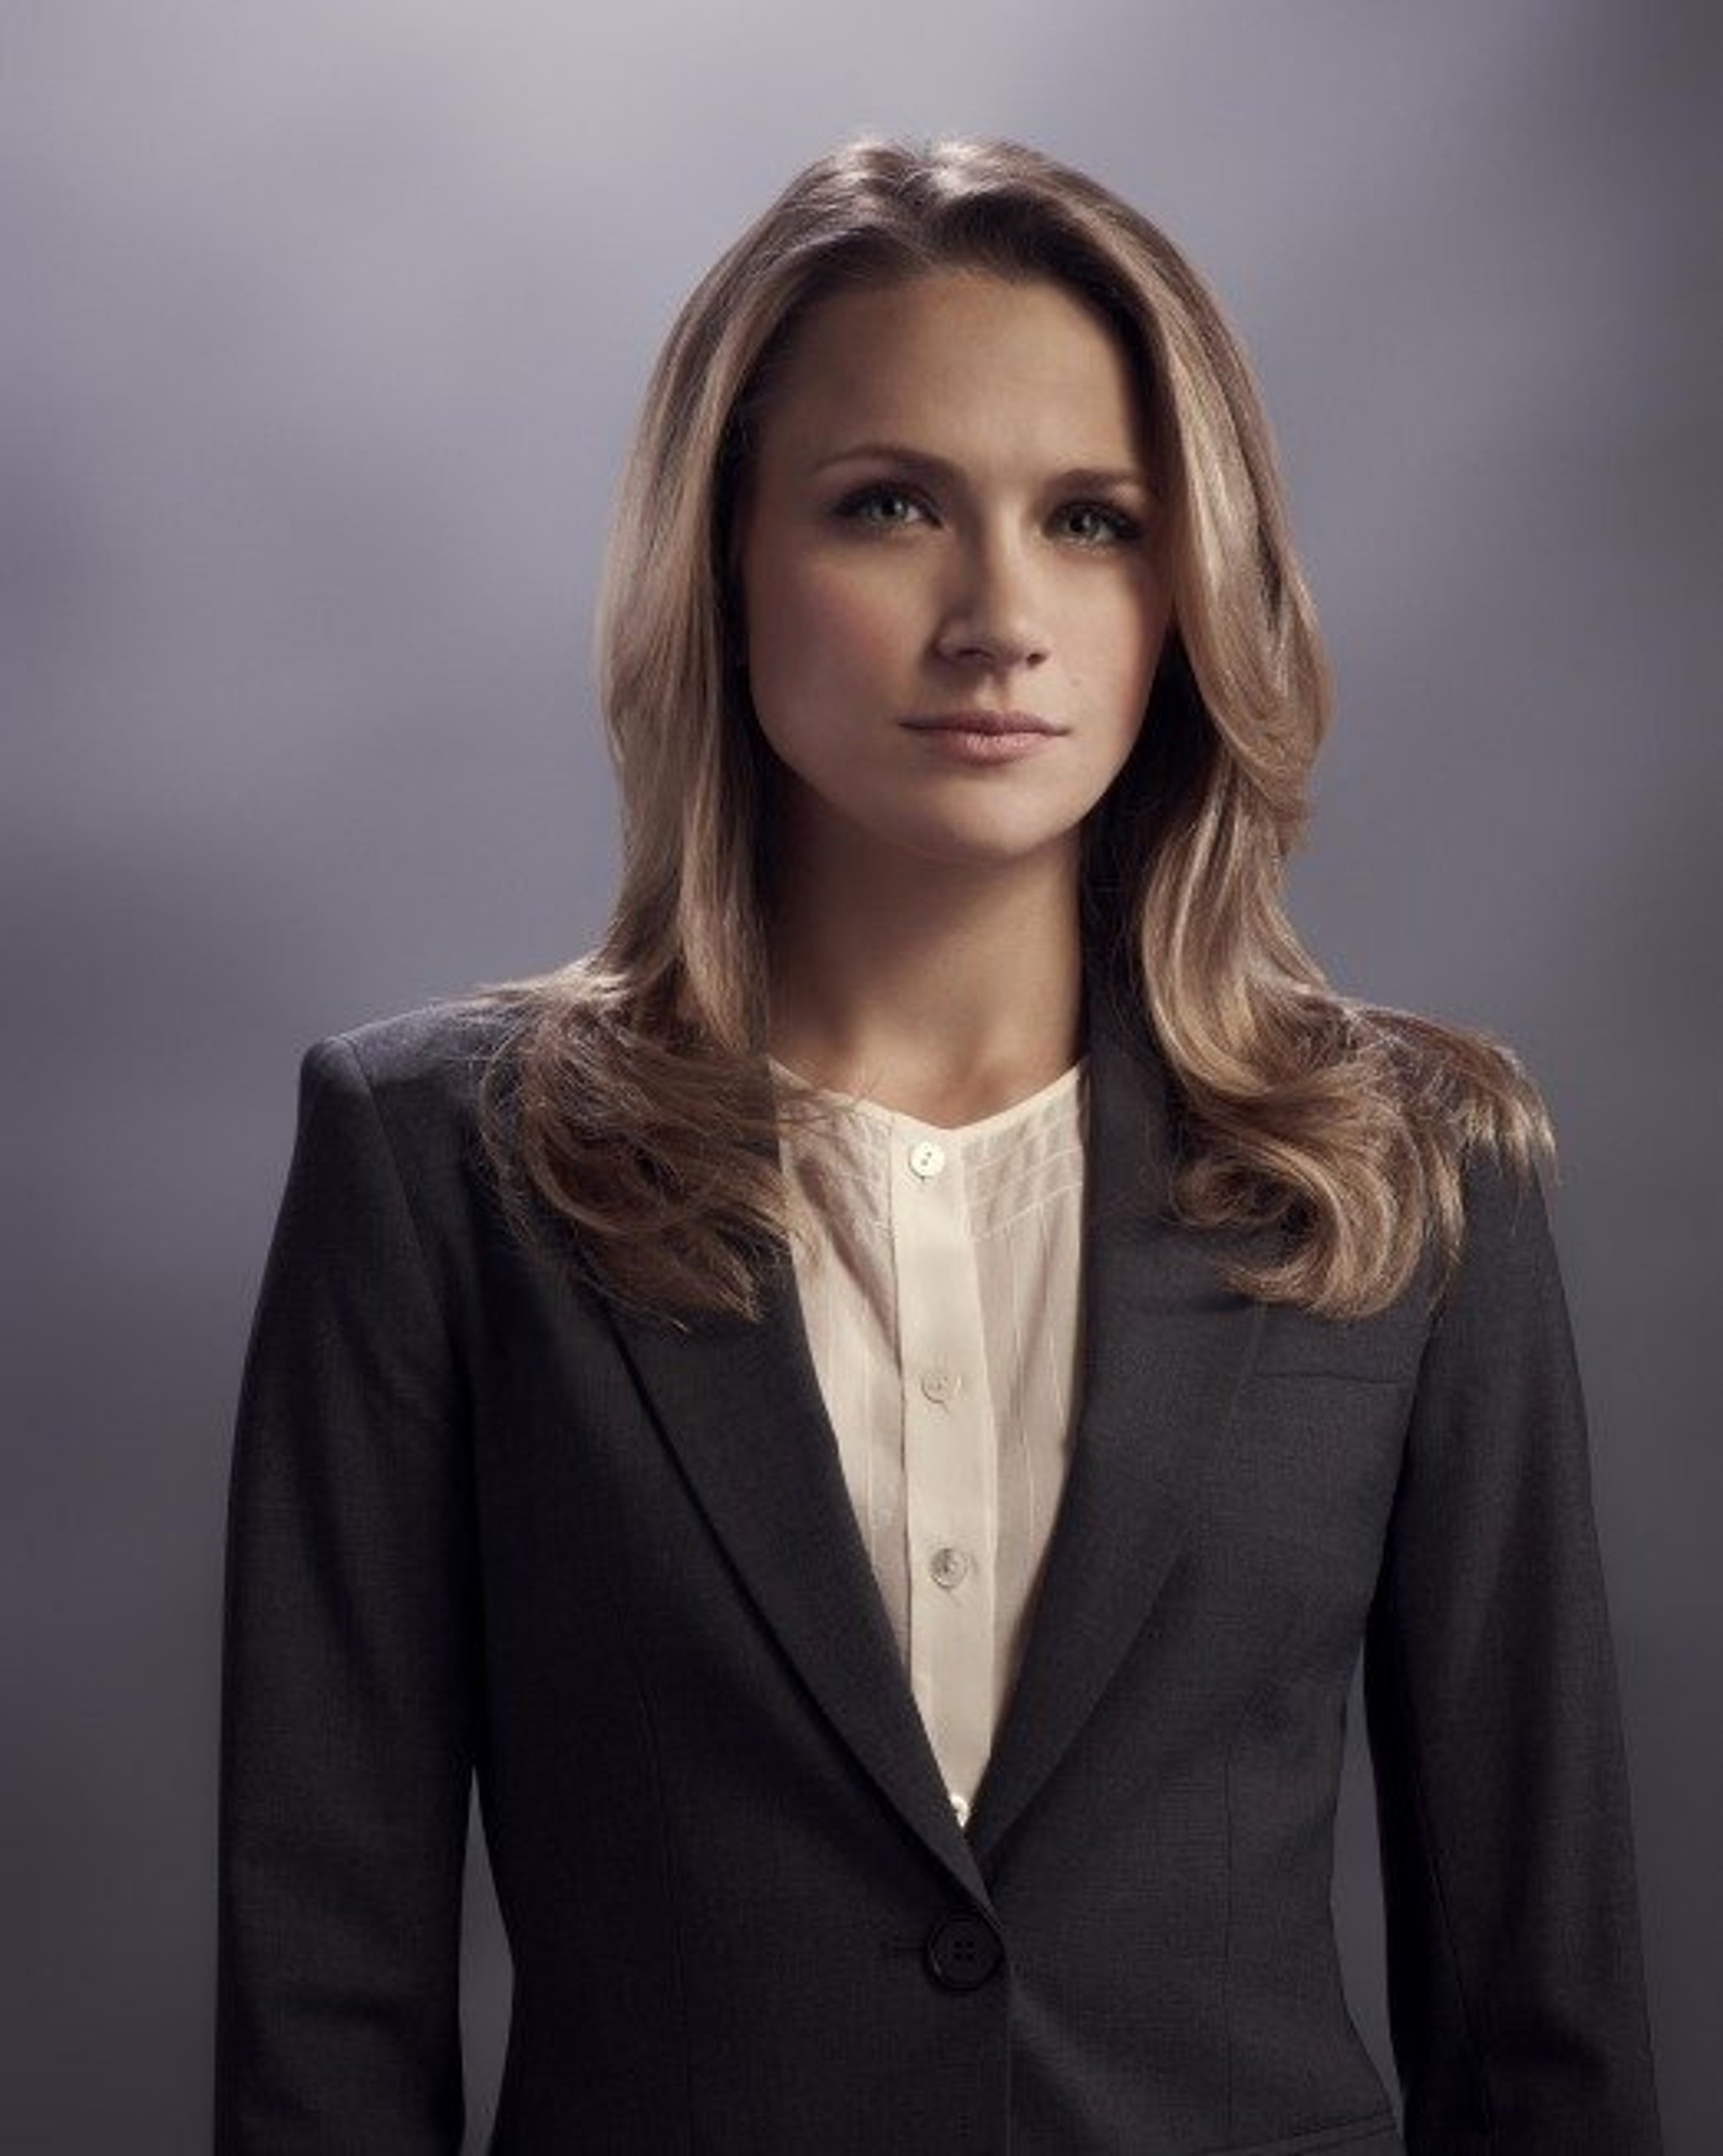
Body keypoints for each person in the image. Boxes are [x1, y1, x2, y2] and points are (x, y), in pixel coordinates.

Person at [213, 134, 1663, 2154]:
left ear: (1192, 589)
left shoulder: (1408, 1180)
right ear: (721, 562)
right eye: (890, 506)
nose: (1000, 615)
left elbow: (1543, 2013)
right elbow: (325, 2012)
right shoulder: (437, 1172)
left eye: (1093, 519)